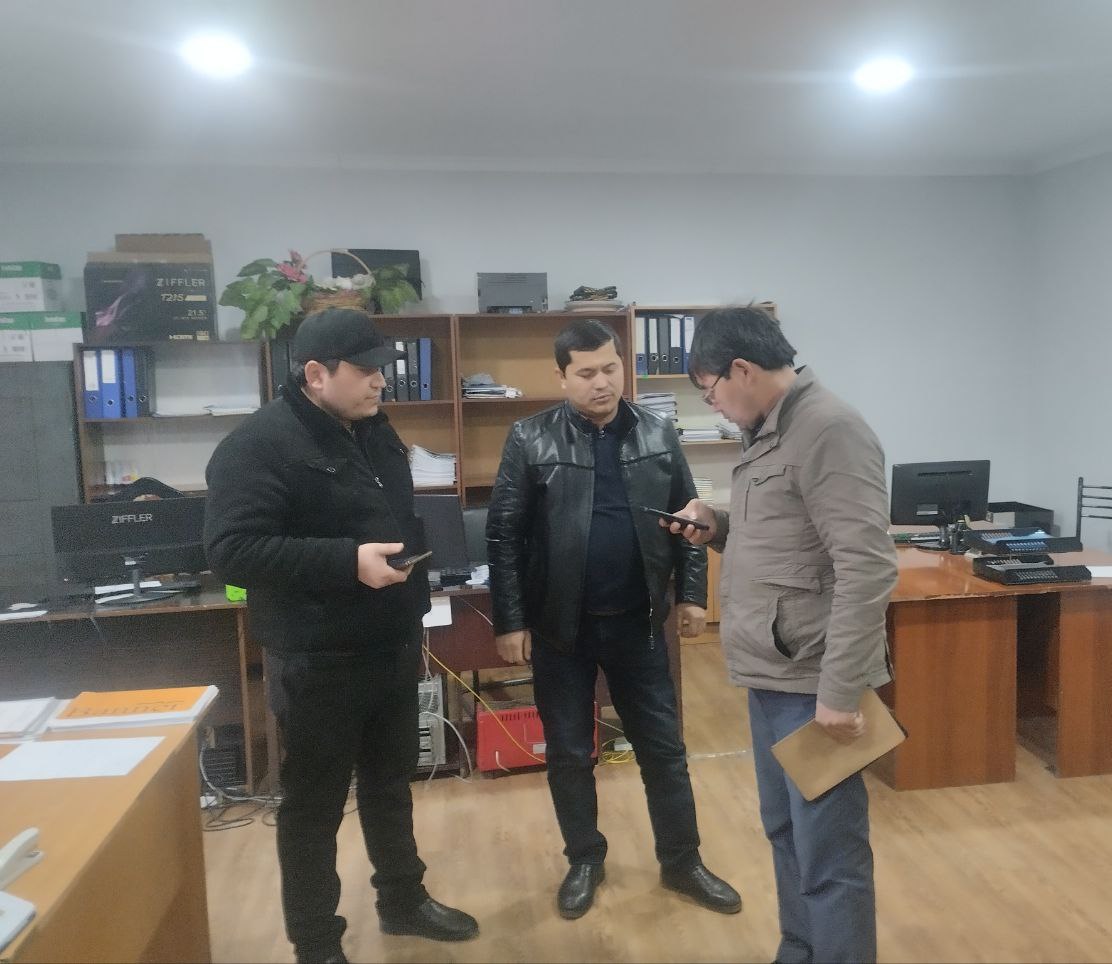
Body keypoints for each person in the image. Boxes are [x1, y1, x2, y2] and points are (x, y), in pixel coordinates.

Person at [204, 308, 478, 964]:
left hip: (390, 641)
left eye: (383, 368)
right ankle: (317, 943)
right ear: (316, 374)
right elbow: (232, 551)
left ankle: (403, 900)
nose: (381, 381)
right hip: (316, 656)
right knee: (313, 806)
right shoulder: (257, 445)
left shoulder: (374, 428)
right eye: (366, 370)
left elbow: (393, 515)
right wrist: (345, 561)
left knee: (391, 782)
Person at [486, 318, 741, 920]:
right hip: (561, 630)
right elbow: (503, 536)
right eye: (585, 373)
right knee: (570, 752)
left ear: (623, 366)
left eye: (610, 368)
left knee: (664, 749)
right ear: (561, 377)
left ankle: (682, 861)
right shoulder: (530, 438)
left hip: (638, 623)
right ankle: (584, 859)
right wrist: (510, 621)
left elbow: (690, 518)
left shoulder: (657, 431)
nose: (601, 383)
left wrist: (693, 595)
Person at [666, 306, 898, 964]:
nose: (712, 404)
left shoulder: (829, 429)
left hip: (813, 684)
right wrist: (717, 524)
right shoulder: (771, 431)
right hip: (773, 674)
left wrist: (840, 693)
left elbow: (867, 566)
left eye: (709, 389)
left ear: (741, 369)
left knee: (829, 853)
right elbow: (789, 533)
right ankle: (799, 950)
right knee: (786, 833)